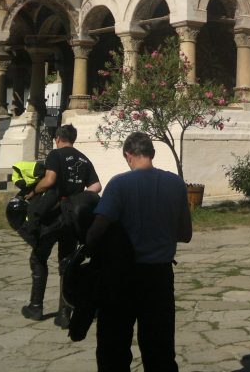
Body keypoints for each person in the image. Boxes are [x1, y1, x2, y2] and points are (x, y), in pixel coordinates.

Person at [87, 131, 192, 372]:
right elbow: (185, 234)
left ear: (128, 155)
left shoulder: (119, 184)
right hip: (159, 276)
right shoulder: (176, 184)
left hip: (123, 276)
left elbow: (96, 231)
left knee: (114, 348)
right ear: (152, 153)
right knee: (160, 350)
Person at [21, 123, 101, 327]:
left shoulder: (55, 155)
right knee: (66, 262)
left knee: (39, 257)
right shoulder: (84, 159)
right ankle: (64, 314)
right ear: (73, 138)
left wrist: (34, 191)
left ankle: (36, 307)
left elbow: (50, 180)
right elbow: (96, 186)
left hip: (53, 215)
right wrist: (78, 198)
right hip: (72, 217)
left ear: (57, 138)